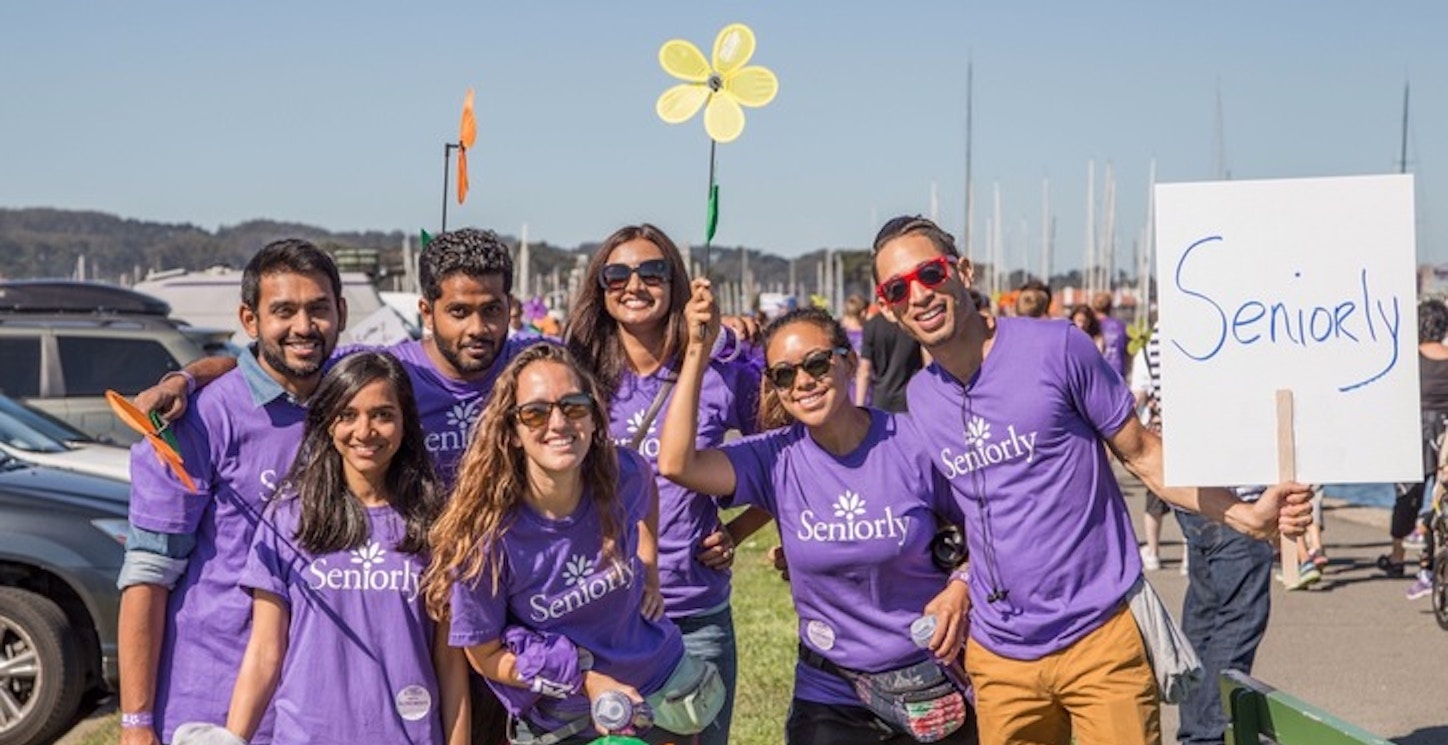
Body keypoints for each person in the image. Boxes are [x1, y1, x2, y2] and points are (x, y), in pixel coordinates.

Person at [869, 215, 1313, 745]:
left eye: (931, 273)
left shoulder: (1057, 347)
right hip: (1000, 656)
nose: (918, 294)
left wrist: (1247, 516)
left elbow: (1143, 453)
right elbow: (966, 512)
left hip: (1099, 638)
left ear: (962, 271)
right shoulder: (923, 398)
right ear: (890, 309)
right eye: (898, 288)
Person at [659, 290, 976, 745]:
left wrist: (962, 586)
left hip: (931, 682)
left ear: (847, 362)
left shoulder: (913, 442)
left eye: (817, 363)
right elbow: (677, 464)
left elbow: (988, 525)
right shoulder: (775, 456)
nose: (802, 381)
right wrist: (696, 351)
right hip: (832, 691)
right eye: (784, 374)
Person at [424, 343, 723, 745]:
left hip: (662, 691)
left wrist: (649, 567)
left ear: (595, 418)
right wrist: (583, 682)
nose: (558, 422)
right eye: (535, 412)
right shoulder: (486, 542)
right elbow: (485, 656)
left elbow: (649, 492)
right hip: (565, 724)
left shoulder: (624, 474)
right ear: (511, 432)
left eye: (574, 406)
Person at [118, 239, 347, 745]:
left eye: (318, 309)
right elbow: (147, 576)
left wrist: (187, 373)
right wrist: (136, 723)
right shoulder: (198, 419)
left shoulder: (355, 399)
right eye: (283, 311)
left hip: (323, 703)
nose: (304, 327)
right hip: (213, 699)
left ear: (342, 313)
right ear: (250, 320)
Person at [563, 223, 767, 745]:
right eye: (618, 274)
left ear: (675, 283)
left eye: (652, 272)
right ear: (600, 289)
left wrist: (740, 531)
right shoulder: (576, 378)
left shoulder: (718, 377)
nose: (635, 284)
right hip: (600, 615)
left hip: (694, 614)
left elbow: (790, 459)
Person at [222, 352, 469, 745]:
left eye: (383, 415)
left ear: (406, 422)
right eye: (348, 414)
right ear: (327, 423)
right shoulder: (289, 518)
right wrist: (233, 739)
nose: (365, 430)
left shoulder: (436, 522)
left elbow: (450, 662)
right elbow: (265, 651)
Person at [1388, 299, 1448, 585]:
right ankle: (1431, 557)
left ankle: (1397, 556)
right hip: (1444, 434)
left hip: (1414, 431)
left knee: (1407, 496)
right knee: (1441, 497)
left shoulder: (1408, 360)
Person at [856, 308, 923, 412]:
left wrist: (859, 405)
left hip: (881, 398)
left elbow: (864, 371)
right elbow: (927, 363)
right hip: (910, 398)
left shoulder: (872, 325)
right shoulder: (912, 324)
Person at [1091, 291, 1129, 379]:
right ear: (1110, 307)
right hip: (1118, 374)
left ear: (1093, 307)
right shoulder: (1121, 327)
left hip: (1098, 376)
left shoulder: (1091, 327)